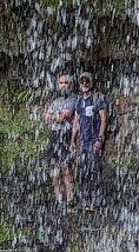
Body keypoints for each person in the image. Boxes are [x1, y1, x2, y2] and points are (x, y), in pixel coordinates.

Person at [70, 72, 108, 212]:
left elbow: (104, 119)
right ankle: (84, 200)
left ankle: (97, 201)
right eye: (82, 82)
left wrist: (100, 138)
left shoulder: (98, 98)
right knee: (83, 171)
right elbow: (76, 122)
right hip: (83, 142)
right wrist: (72, 140)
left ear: (91, 83)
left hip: (94, 140)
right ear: (79, 84)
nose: (84, 84)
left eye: (87, 81)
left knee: (95, 170)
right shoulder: (79, 101)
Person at [44, 73, 77, 210]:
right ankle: (58, 199)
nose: (63, 85)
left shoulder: (74, 99)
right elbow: (46, 117)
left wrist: (55, 115)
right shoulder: (56, 101)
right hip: (54, 135)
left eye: (66, 83)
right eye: (61, 83)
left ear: (70, 84)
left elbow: (63, 116)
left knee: (66, 168)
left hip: (65, 134)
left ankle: (70, 199)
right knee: (55, 169)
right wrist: (54, 115)